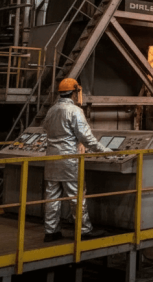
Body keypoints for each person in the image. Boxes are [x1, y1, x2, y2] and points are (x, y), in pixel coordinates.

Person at [43, 78, 112, 242]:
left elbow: (45, 128)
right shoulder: (74, 111)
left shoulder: (51, 110)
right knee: (76, 196)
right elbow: (85, 137)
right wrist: (104, 150)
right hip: (69, 159)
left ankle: (51, 231)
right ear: (74, 92)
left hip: (52, 158)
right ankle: (84, 230)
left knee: (52, 197)